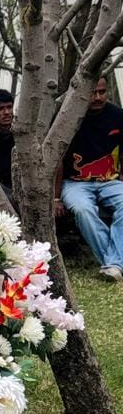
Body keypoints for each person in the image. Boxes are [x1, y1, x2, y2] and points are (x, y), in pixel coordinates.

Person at [57, 77, 123, 280]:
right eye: (92, 93)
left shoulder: (118, 116)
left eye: (102, 92)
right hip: (75, 183)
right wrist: (55, 197)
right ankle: (114, 263)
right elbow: (57, 159)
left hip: (111, 181)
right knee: (83, 210)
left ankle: (113, 265)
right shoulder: (67, 118)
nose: (97, 97)